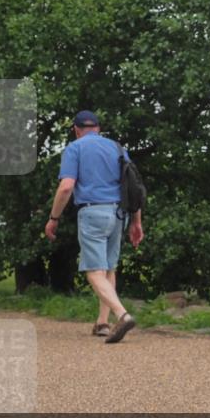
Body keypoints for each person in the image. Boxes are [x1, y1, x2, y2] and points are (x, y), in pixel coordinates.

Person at [44, 110, 144, 343]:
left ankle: (123, 315)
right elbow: (133, 187)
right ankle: (102, 323)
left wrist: (54, 218)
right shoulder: (117, 148)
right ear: (98, 128)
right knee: (109, 268)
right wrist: (137, 222)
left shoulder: (75, 148)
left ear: (76, 130)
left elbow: (67, 186)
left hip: (93, 212)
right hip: (119, 213)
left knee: (94, 272)